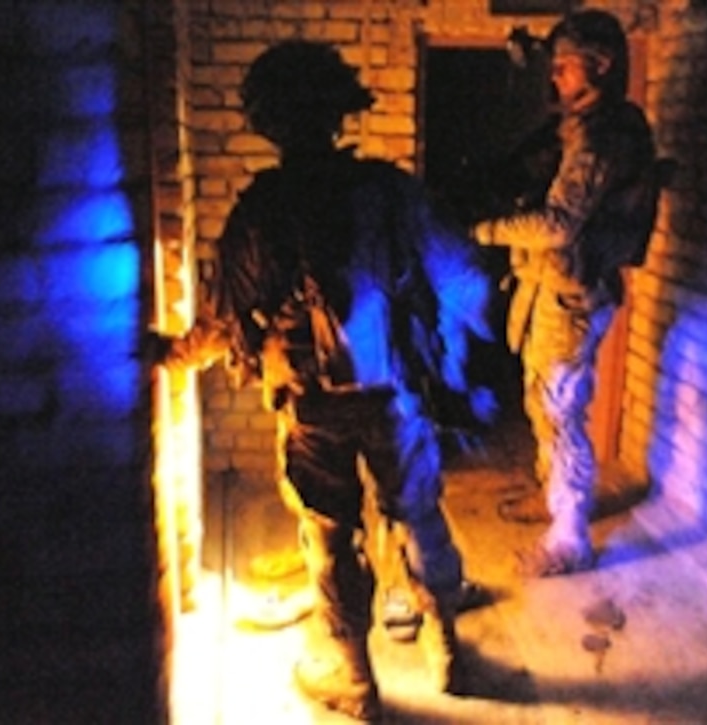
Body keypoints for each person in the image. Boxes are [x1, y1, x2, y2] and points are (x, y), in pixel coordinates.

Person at [154, 40, 495, 720]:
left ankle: (355, 678)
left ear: (268, 121)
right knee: (419, 512)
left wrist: (169, 355)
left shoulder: (260, 209)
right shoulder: (392, 192)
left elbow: (226, 323)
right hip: (395, 391)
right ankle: (447, 645)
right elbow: (469, 278)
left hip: (311, 402)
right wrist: (460, 369)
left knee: (331, 534)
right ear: (340, 114)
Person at [469, 10, 663, 577]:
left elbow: (557, 225)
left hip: (573, 293)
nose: (554, 78)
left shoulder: (604, 137)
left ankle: (570, 536)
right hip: (553, 286)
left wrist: (486, 230)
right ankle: (554, 496)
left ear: (598, 67)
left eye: (564, 68)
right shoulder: (584, 128)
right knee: (542, 402)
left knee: (561, 410)